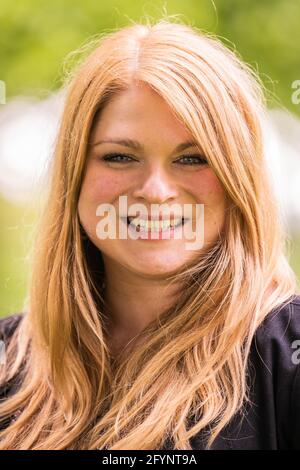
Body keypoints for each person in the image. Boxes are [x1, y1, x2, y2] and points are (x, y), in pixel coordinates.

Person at [0, 17, 300, 450]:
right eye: (120, 156)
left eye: (193, 158)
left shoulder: (284, 359)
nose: (155, 192)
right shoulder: (10, 362)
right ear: (75, 175)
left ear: (238, 180)